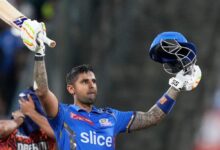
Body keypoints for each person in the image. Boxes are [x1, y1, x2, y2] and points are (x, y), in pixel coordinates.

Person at [20, 20, 202, 150]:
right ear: (71, 89)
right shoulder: (63, 114)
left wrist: (176, 85)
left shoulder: (111, 117)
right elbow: (42, 91)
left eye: (93, 81)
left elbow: (152, 117)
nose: (91, 85)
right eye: (84, 82)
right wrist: (39, 52)